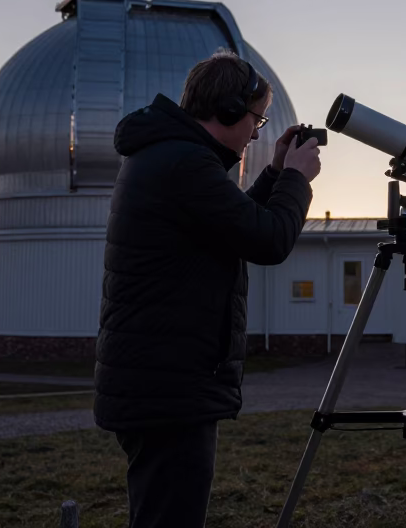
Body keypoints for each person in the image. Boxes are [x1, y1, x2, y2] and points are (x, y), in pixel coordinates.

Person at [93, 52, 320, 528]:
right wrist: (298, 178)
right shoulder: (184, 164)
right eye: (255, 122)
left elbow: (233, 224)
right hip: (169, 389)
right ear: (230, 111)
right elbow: (269, 238)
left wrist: (277, 173)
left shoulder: (171, 157)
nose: (254, 134)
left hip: (159, 384)